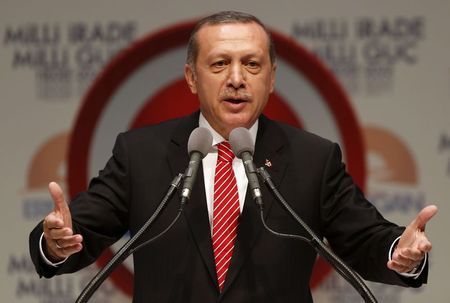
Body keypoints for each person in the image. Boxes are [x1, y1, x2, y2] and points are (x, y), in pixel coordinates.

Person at [29, 11, 437, 302]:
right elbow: (79, 234)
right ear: (192, 77)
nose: (237, 79)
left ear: (272, 78)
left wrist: (398, 253)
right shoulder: (141, 154)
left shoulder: (313, 158)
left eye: (252, 64)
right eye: (220, 63)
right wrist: (55, 243)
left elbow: (366, 239)